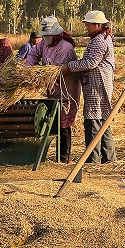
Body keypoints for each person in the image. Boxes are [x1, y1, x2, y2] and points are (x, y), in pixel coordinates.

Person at [24, 15, 79, 160]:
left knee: (63, 123)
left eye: (49, 35)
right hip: (52, 88)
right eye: (45, 35)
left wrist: (38, 76)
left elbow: (55, 70)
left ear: (56, 34)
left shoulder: (65, 47)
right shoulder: (44, 43)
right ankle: (54, 155)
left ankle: (64, 157)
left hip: (66, 88)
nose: (46, 37)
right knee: (52, 121)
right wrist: (27, 69)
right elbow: (33, 53)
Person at [66, 9, 117, 164]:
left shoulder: (100, 40)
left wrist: (68, 66)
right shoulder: (100, 38)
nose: (86, 27)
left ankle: (93, 159)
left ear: (97, 25)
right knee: (103, 120)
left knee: (94, 120)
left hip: (98, 84)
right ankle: (109, 158)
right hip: (97, 83)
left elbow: (90, 63)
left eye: (88, 24)